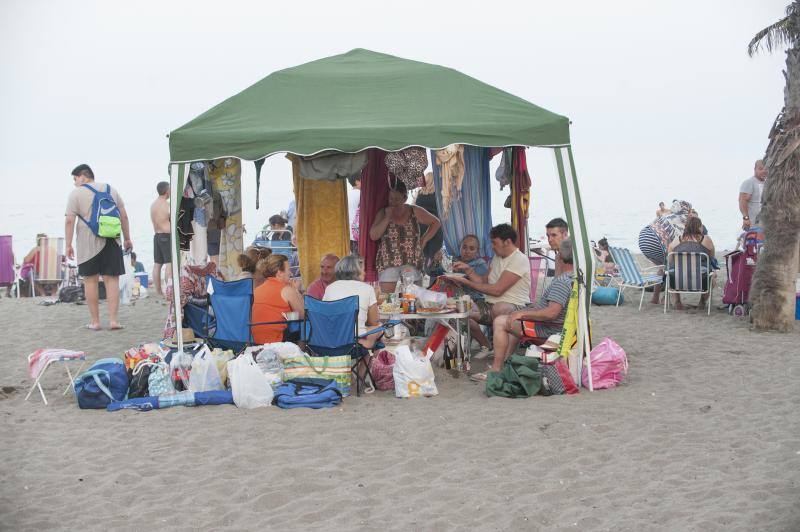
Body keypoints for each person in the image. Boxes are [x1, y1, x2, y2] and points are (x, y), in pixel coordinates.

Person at [471, 240, 576, 380]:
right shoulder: (574, 278)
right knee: (514, 319)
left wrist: (524, 312)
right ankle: (506, 363)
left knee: (501, 321)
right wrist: (527, 311)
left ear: (560, 257)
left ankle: (496, 368)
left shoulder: (562, 282)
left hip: (548, 329)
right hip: (559, 327)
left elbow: (551, 313)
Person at [448, 224, 532, 358]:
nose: (492, 246)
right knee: (459, 309)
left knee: (500, 308)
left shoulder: (519, 259)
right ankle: (487, 345)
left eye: (494, 243)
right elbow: (483, 281)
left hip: (515, 307)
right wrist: (467, 269)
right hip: (490, 305)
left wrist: (467, 282)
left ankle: (505, 356)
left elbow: (497, 290)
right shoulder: (497, 257)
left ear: (508, 242)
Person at [65, 164, 132, 331]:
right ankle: (113, 321)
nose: (75, 183)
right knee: (112, 280)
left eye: (75, 179)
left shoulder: (76, 194)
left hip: (88, 243)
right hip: (112, 239)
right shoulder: (111, 189)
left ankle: (95, 322)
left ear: (83, 176)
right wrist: (127, 238)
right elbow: (123, 215)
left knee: (90, 280)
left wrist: (68, 244)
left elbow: (69, 220)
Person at [369, 179, 441, 293]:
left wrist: (424, 239)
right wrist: (387, 217)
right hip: (389, 260)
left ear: (405, 198)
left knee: (412, 297)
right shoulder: (383, 212)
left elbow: (436, 222)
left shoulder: (414, 210)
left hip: (411, 259)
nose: (393, 202)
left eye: (397, 199)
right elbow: (373, 235)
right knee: (387, 299)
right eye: (391, 198)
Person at [638, 199, 692, 304]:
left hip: (643, 238)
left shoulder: (667, 215)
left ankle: (655, 298)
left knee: (663, 267)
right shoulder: (683, 219)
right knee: (673, 267)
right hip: (656, 242)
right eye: (689, 210)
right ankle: (676, 301)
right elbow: (679, 242)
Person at [323, 255, 383, 348]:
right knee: (379, 327)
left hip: (331, 337)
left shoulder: (330, 288)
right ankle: (369, 354)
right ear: (357, 271)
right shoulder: (367, 289)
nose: (364, 273)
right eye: (363, 270)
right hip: (355, 338)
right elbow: (374, 322)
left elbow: (325, 315)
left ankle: (365, 355)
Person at [251, 254, 304, 344]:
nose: (291, 273)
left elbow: (274, 314)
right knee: (305, 324)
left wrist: (286, 315)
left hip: (256, 340)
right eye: (288, 270)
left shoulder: (257, 290)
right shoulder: (287, 290)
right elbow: (302, 315)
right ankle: (302, 354)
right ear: (279, 273)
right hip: (276, 341)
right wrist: (296, 290)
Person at [667, 217, 715, 310]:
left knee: (673, 272)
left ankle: (677, 302)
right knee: (712, 276)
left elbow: (670, 260)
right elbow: (711, 258)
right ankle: (702, 302)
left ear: (686, 227)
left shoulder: (677, 240)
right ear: (699, 227)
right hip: (701, 281)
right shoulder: (706, 239)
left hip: (678, 281)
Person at [443, 234, 489, 301]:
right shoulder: (453, 261)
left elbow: (482, 285)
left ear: (477, 251)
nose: (467, 251)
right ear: (460, 247)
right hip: (453, 298)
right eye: (464, 247)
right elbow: (436, 272)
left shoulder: (480, 264)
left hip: (475, 300)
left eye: (472, 249)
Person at [413, 171, 444, 270]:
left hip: (420, 227)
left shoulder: (419, 194)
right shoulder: (439, 194)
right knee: (432, 256)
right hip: (435, 227)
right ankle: (430, 275)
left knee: (420, 253)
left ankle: (420, 274)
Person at [150, 181, 171, 296]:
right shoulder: (167, 205)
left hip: (157, 236)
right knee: (169, 263)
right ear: (167, 191)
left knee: (157, 264)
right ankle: (169, 290)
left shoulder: (153, 205)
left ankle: (158, 292)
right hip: (166, 236)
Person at [739, 159, 767, 229]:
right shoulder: (749, 182)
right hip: (753, 224)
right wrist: (746, 218)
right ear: (755, 169)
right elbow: (742, 201)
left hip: (765, 224)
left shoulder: (767, 183)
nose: (764, 171)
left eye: (766, 169)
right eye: (761, 169)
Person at [348, 176, 361, 254]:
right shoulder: (362, 194)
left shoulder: (347, 194)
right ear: (357, 182)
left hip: (350, 233)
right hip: (359, 233)